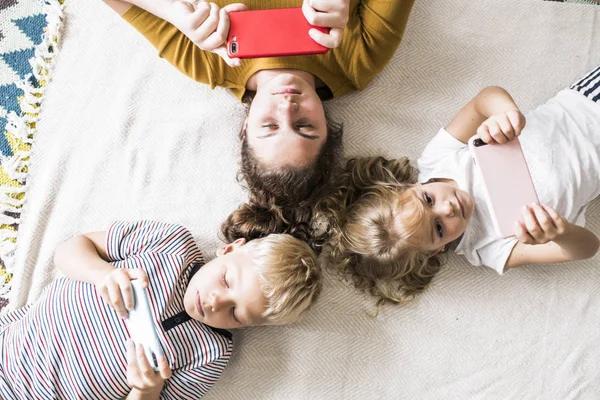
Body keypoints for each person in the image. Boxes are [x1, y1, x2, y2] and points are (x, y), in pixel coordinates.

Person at [320, 66, 600, 305]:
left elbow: (485, 100)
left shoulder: (437, 159)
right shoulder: (489, 249)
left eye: (428, 200)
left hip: (584, 102)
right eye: (439, 229)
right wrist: (561, 232)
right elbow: (586, 249)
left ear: (404, 186)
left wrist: (507, 114)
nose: (449, 208)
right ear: (435, 251)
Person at [102, 0, 414, 207]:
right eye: (304, 126)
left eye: (270, 126)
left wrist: (176, 12)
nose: (287, 107)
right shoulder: (359, 58)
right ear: (328, 127)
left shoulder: (205, 60)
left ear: (245, 127)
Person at [0, 220, 321, 399]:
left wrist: (146, 388)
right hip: (8, 348)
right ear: (230, 249)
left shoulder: (211, 354)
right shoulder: (170, 244)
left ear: (253, 327)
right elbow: (68, 250)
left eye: (235, 313)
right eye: (225, 280)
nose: (214, 302)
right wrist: (102, 273)